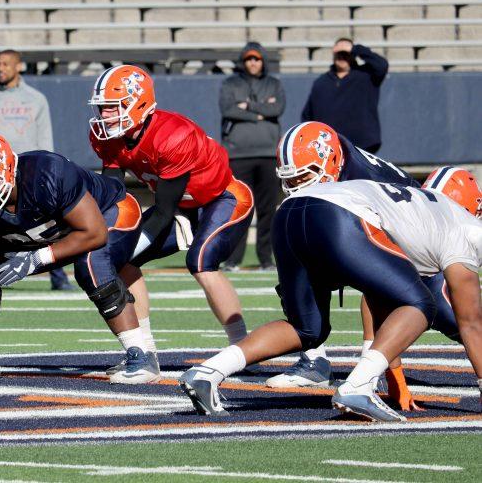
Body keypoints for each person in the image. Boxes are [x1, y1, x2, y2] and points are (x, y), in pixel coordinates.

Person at [180, 179, 482, 422]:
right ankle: (357, 387)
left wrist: (395, 378)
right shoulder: (465, 233)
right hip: (337, 215)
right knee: (421, 304)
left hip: (289, 213)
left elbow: (380, 296)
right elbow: (470, 324)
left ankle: (207, 373)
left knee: (308, 329)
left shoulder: (431, 216)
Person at [0, 132, 158, 384]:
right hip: (48, 234)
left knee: (91, 264)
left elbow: (94, 233)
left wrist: (38, 258)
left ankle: (141, 355)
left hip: (110, 213)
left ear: (9, 170)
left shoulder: (47, 174)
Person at [88, 65, 253, 377]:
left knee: (201, 262)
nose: (105, 115)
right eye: (101, 107)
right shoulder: (109, 138)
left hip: (222, 197)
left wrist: (124, 247)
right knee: (119, 258)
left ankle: (243, 347)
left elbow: (163, 211)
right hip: (179, 205)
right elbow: (113, 197)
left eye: (112, 107)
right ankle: (145, 351)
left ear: (139, 103)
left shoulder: (173, 134)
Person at [268, 121, 431, 407]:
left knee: (449, 317)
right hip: (350, 214)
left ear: (331, 163)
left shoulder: (359, 180)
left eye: (303, 178)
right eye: (290, 180)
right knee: (297, 275)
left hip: (417, 227)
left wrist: (394, 378)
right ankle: (315, 361)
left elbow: (379, 284)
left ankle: (371, 366)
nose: (295, 187)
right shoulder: (330, 163)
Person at [0, 50, 71, 291]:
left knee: (46, 222)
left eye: (6, 64)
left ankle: (58, 277)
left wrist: (48, 169)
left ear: (19, 67)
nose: (1, 68)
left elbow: (45, 137)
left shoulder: (36, 99)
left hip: (30, 171)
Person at [219, 42, 285, 271]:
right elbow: (228, 110)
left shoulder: (273, 84)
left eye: (257, 59)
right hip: (239, 155)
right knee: (239, 207)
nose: (253, 63)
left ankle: (266, 259)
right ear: (243, 61)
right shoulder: (230, 83)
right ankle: (233, 259)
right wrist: (260, 111)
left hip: (268, 154)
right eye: (248, 59)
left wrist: (247, 106)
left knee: (267, 210)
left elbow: (277, 109)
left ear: (263, 61)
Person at [301, 38, 388, 153]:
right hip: (330, 146)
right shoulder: (321, 82)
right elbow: (308, 115)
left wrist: (356, 49)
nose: (342, 57)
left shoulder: (366, 75)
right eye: (339, 53)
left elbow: (382, 65)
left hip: (362, 145)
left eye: (346, 53)